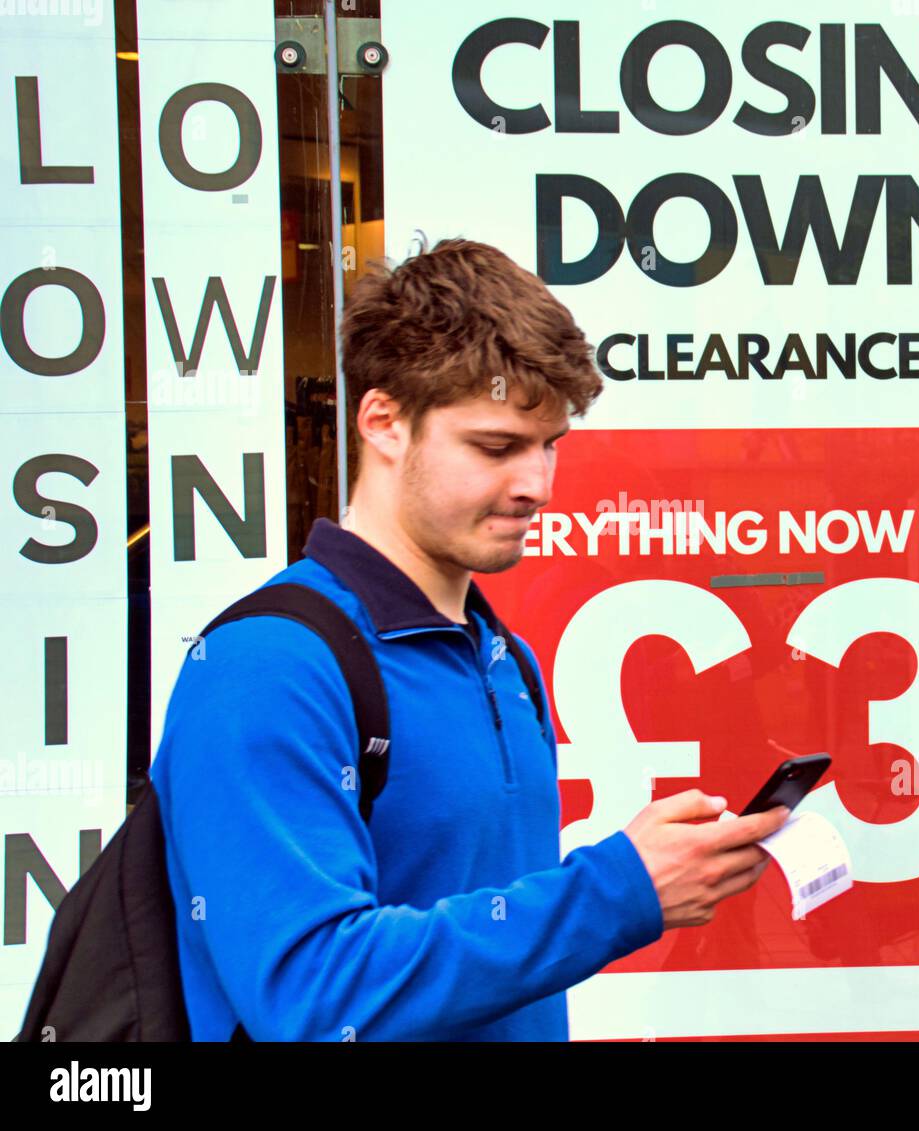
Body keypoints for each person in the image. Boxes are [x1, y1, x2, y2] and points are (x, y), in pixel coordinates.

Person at [150, 237, 789, 1041]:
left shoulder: (501, 656)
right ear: (383, 422)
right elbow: (310, 995)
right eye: (496, 446)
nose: (538, 485)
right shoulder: (266, 667)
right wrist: (614, 892)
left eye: (549, 445)